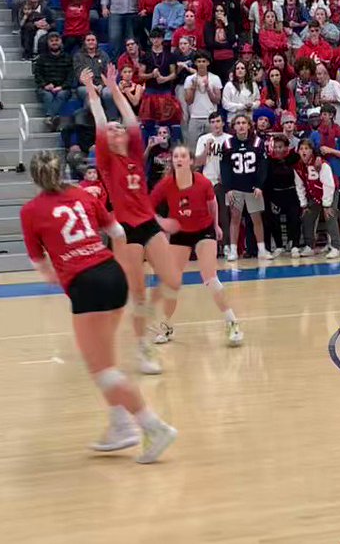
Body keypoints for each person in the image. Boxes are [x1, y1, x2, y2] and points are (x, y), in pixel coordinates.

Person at [20, 150, 178, 463]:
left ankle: (153, 426)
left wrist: (53, 272)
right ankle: (121, 427)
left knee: (102, 370)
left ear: (34, 178)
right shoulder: (82, 194)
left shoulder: (31, 211)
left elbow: (38, 260)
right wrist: (119, 264)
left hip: (86, 285)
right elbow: (118, 232)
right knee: (107, 362)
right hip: (112, 275)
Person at [84, 67, 185, 376]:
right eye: (111, 131)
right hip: (125, 230)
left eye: (118, 130)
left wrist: (115, 87)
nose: (116, 131)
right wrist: (92, 89)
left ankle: (146, 318)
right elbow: (102, 120)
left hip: (148, 223)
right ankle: (143, 347)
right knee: (138, 292)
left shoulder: (134, 151)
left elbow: (130, 117)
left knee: (172, 279)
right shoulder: (106, 158)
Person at [150, 145, 245, 347]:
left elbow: (213, 205)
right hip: (180, 234)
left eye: (183, 156)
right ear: (172, 161)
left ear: (191, 161)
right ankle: (166, 326)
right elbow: (148, 208)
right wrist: (162, 222)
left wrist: (217, 225)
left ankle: (232, 323)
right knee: (172, 283)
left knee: (210, 278)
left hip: (204, 230)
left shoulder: (202, 182)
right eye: (176, 156)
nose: (179, 159)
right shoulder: (166, 184)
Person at [220, 113, 274, 261]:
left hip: (252, 187)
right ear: (234, 127)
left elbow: (262, 166)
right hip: (235, 187)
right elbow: (224, 168)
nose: (241, 125)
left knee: (256, 218)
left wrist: (259, 185)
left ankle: (262, 250)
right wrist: (228, 188)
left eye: (244, 122)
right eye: (238, 123)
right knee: (235, 218)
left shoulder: (257, 142)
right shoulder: (228, 144)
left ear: (249, 125)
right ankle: (233, 251)